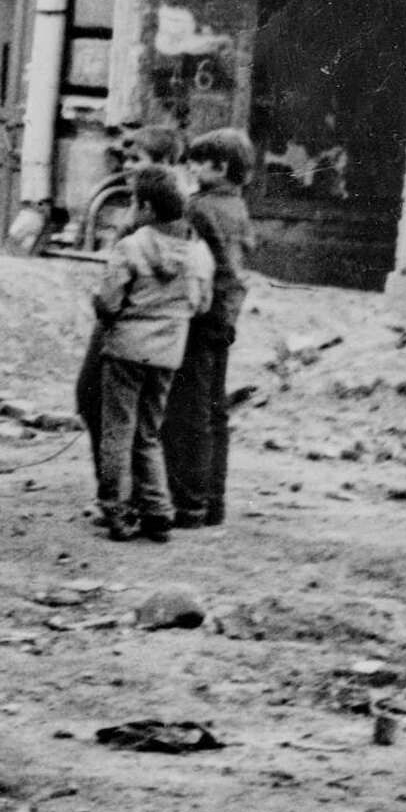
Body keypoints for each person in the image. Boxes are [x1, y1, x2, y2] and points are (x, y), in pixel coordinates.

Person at [88, 164, 212, 542]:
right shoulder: (198, 251)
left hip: (126, 349)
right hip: (167, 353)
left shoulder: (130, 246)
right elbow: (201, 304)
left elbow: (109, 302)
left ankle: (117, 511)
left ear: (145, 207)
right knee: (149, 432)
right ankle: (159, 511)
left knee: (117, 431)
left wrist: (103, 307)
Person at [166, 126, 253, 528]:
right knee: (215, 410)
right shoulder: (237, 205)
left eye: (198, 162)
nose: (191, 167)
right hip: (227, 315)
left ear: (220, 167)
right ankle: (213, 502)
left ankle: (189, 503)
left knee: (189, 410)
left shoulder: (198, 207)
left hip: (201, 315)